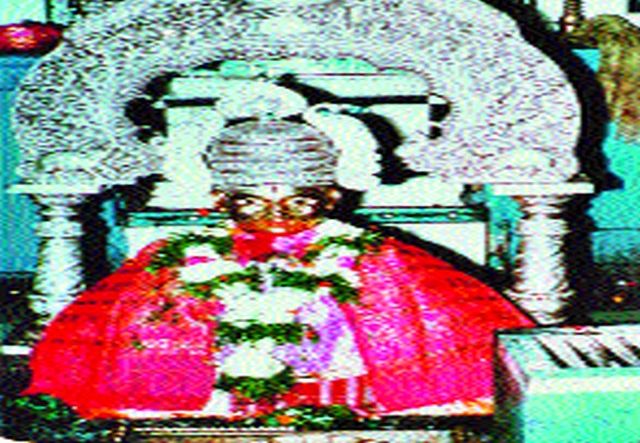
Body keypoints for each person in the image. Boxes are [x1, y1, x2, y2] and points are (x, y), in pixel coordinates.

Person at [24, 119, 534, 419]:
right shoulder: (181, 257)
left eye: (298, 202)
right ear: (219, 200)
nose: (276, 216)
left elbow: (427, 322)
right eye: (251, 202)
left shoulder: (372, 254)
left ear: (330, 198)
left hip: (344, 385)